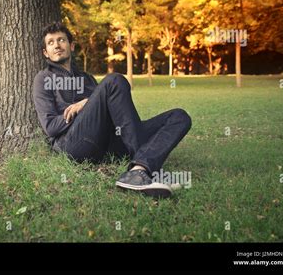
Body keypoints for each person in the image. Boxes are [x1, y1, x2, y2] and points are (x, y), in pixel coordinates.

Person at [32, 22, 192, 198]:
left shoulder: (87, 78)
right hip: (73, 143)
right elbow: (50, 127)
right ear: (45, 52)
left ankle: (140, 169)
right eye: (51, 42)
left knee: (179, 117)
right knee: (115, 80)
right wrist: (82, 108)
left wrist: (88, 102)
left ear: (71, 46)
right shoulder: (43, 78)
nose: (57, 45)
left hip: (108, 142)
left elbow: (109, 110)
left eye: (61, 40)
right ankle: (142, 167)